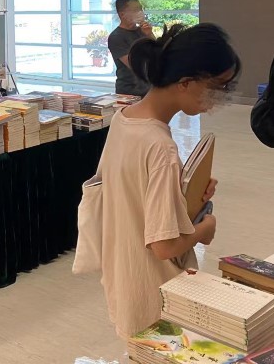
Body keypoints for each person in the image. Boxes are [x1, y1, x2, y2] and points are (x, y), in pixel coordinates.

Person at [95, 23, 239, 339]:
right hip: (159, 296)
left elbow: (129, 196)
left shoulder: (124, 119)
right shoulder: (161, 147)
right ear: (185, 83)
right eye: (217, 88)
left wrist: (183, 193)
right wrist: (205, 228)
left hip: (125, 279)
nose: (219, 99)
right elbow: (164, 246)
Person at [108, 0, 153, 96]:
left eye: (140, 9)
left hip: (148, 89)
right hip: (129, 92)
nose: (140, 12)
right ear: (122, 14)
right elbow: (135, 65)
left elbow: (158, 52)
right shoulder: (116, 37)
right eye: (135, 10)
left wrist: (149, 34)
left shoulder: (143, 31)